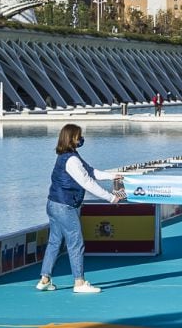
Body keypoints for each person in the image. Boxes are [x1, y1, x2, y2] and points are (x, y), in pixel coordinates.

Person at [36, 124, 125, 294]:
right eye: (79, 136)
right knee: (75, 242)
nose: (81, 139)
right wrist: (111, 197)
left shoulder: (69, 156)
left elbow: (91, 172)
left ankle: (44, 279)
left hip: (53, 204)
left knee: (55, 241)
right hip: (65, 206)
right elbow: (87, 182)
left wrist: (113, 176)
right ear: (71, 138)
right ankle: (79, 282)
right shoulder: (72, 160)